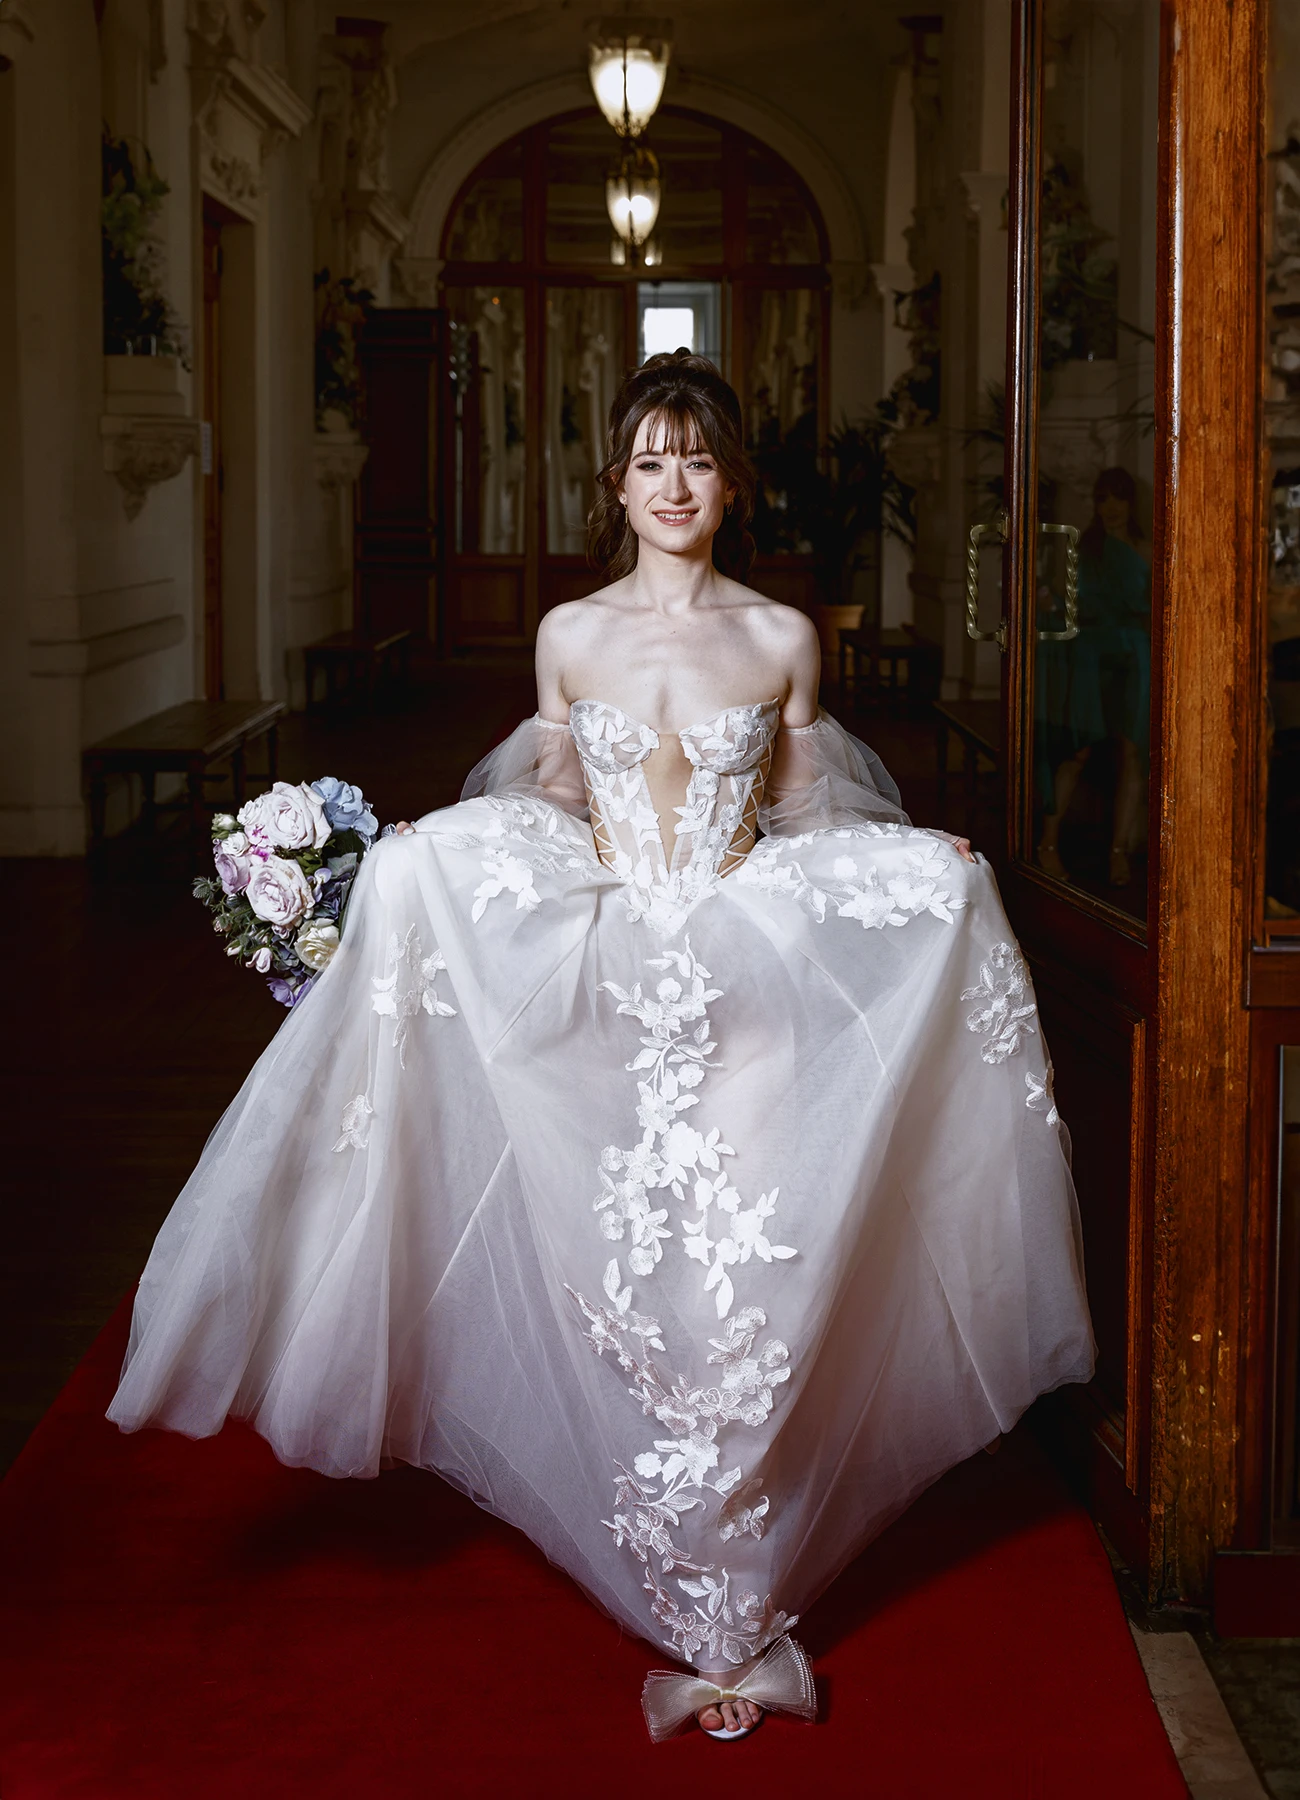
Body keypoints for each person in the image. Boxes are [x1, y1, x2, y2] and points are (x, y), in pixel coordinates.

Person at [109, 352, 1094, 1742]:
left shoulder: (781, 635)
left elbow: (816, 812)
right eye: (648, 460)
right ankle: (663, 1541)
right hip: (615, 963)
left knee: (743, 1262)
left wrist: (913, 857)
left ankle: (734, 1591)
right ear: (614, 484)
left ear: (732, 481)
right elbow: (552, 798)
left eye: (697, 459)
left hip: (751, 968)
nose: (673, 485)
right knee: (632, 1258)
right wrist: (421, 865)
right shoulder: (569, 635)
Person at [1037, 467, 1152, 889]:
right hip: (1088, 656)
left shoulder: (1146, 548)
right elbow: (1057, 606)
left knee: (1132, 753)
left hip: (1133, 656)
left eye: (1119, 497)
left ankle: (1118, 851)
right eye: (1104, 498)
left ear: (1131, 503)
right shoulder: (1081, 549)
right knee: (1076, 751)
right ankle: (1047, 844)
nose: (1111, 506)